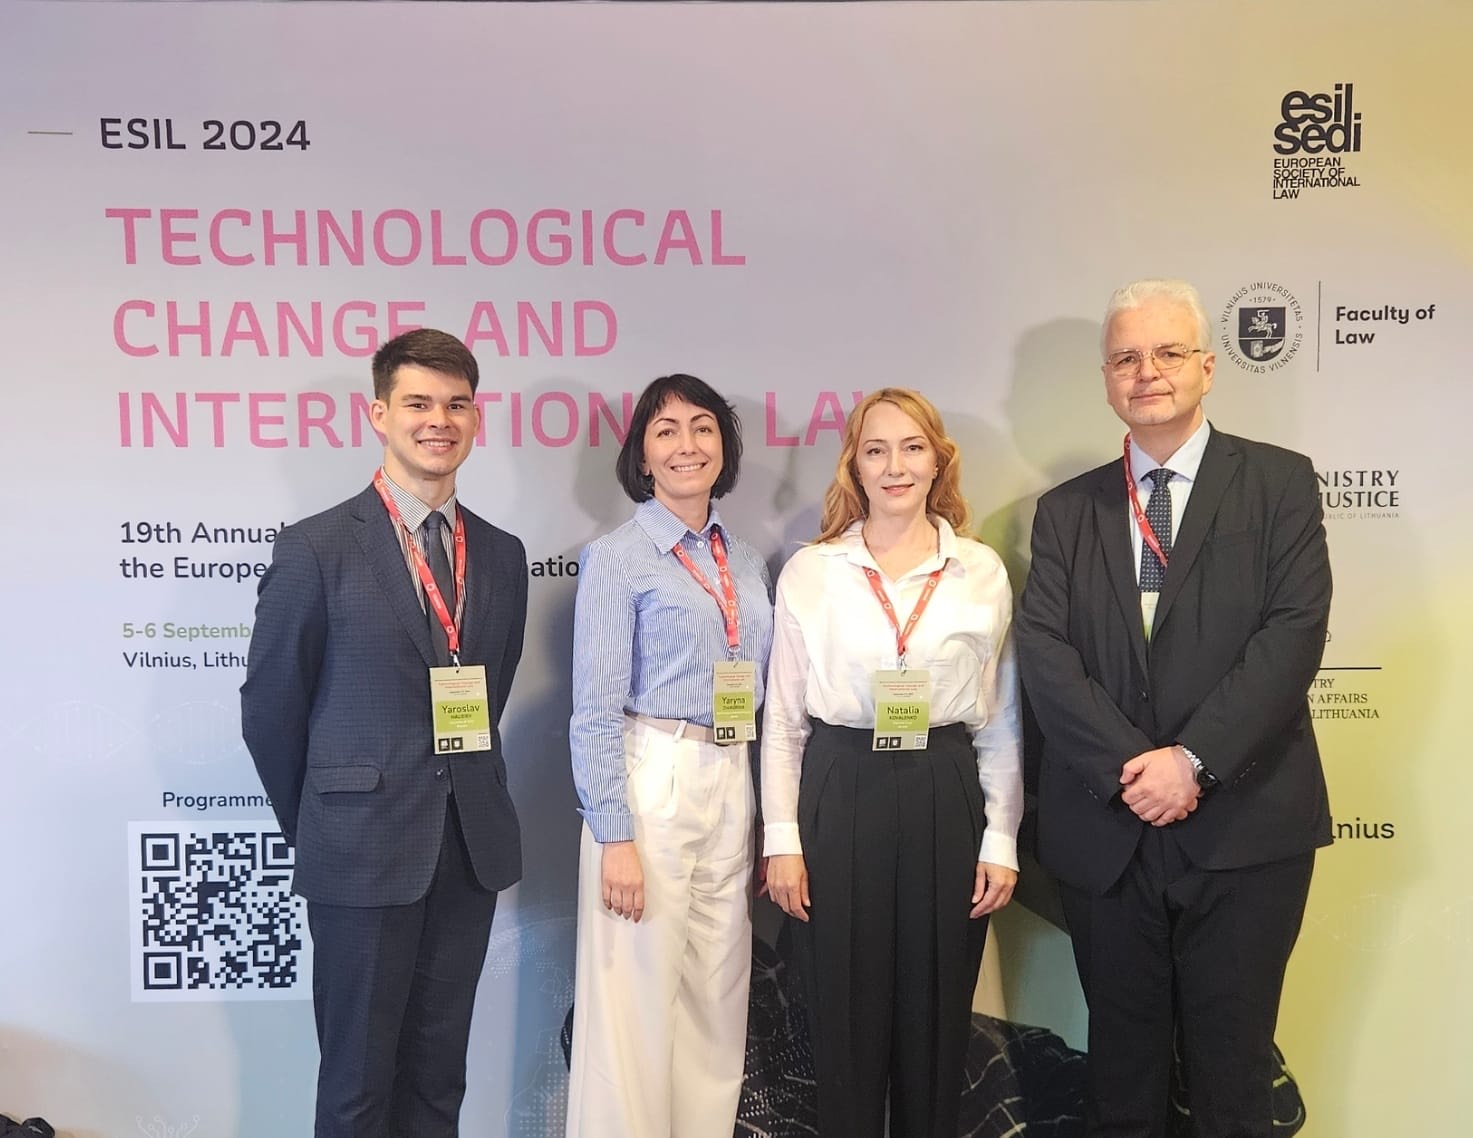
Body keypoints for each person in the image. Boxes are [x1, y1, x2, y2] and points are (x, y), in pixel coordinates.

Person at [1015, 279, 1332, 1137]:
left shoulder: (1278, 482)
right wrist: (1135, 769)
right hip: (1110, 832)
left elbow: (1292, 634)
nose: (1145, 372)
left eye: (1166, 352)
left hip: (1244, 828)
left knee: (1232, 1075)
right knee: (1122, 1077)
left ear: (1206, 366)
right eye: (1124, 357)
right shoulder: (1065, 512)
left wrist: (1190, 763)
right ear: (1106, 379)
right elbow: (1044, 652)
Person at [241, 328, 528, 1138]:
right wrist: (322, 821)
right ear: (379, 415)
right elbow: (270, 708)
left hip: (467, 849)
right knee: (357, 1086)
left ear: (475, 418)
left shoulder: (501, 555)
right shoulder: (317, 546)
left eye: (456, 405)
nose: (439, 421)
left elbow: (491, 690)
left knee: (438, 1081)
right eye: (418, 404)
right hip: (358, 850)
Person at [763, 388, 1023, 1138]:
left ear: (938, 460)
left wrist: (1000, 839)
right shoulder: (811, 572)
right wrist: (782, 839)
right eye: (875, 450)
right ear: (855, 466)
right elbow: (783, 721)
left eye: (912, 447)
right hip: (840, 787)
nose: (895, 466)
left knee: (935, 1019)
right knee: (843, 1019)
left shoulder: (980, 571)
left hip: (945, 789)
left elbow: (1000, 717)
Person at [565, 374, 774, 1138]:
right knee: (634, 1008)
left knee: (717, 1000)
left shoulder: (745, 561)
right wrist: (613, 835)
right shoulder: (618, 557)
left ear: (724, 446)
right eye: (665, 431)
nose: (686, 445)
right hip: (651, 775)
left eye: (702, 427)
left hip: (730, 773)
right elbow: (593, 710)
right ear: (642, 456)